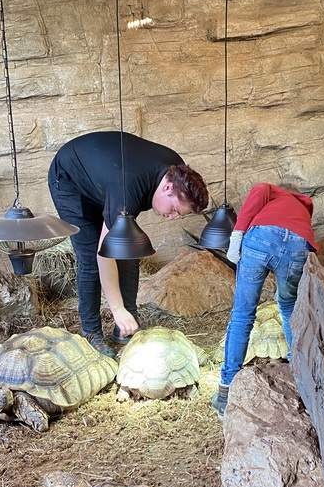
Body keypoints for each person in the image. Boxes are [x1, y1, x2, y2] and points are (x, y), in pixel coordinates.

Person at [48, 131, 209, 357]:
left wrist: (125, 312)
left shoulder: (178, 170)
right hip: (70, 180)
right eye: (173, 209)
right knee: (91, 258)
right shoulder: (127, 193)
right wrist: (117, 309)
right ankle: (91, 332)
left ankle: (126, 328)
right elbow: (104, 254)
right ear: (168, 188)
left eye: (178, 215)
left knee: (128, 251)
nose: (172, 217)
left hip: (107, 178)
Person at [212, 183, 317, 417]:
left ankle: (226, 391)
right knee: (290, 307)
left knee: (243, 313)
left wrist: (237, 234)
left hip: (262, 236)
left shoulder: (275, 192)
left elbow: (260, 188)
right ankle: (298, 374)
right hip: (299, 245)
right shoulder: (303, 207)